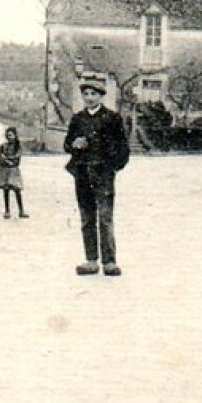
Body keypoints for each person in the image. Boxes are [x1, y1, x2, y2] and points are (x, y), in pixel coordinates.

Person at [64, 77, 130, 276]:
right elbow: (67, 144)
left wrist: (112, 168)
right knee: (86, 219)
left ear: (101, 96)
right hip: (82, 173)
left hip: (103, 175)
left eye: (94, 94)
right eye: (86, 94)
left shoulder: (112, 118)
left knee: (105, 218)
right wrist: (74, 144)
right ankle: (91, 261)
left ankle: (109, 262)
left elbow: (123, 148)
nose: (89, 98)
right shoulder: (77, 119)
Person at [0, 126, 26, 218]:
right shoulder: (3, 146)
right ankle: (7, 211)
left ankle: (21, 211)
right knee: (6, 190)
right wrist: (4, 160)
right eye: (8, 135)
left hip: (14, 170)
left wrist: (6, 158)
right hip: (4, 170)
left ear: (15, 136)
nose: (9, 137)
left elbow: (17, 158)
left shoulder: (18, 146)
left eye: (11, 135)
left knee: (17, 190)